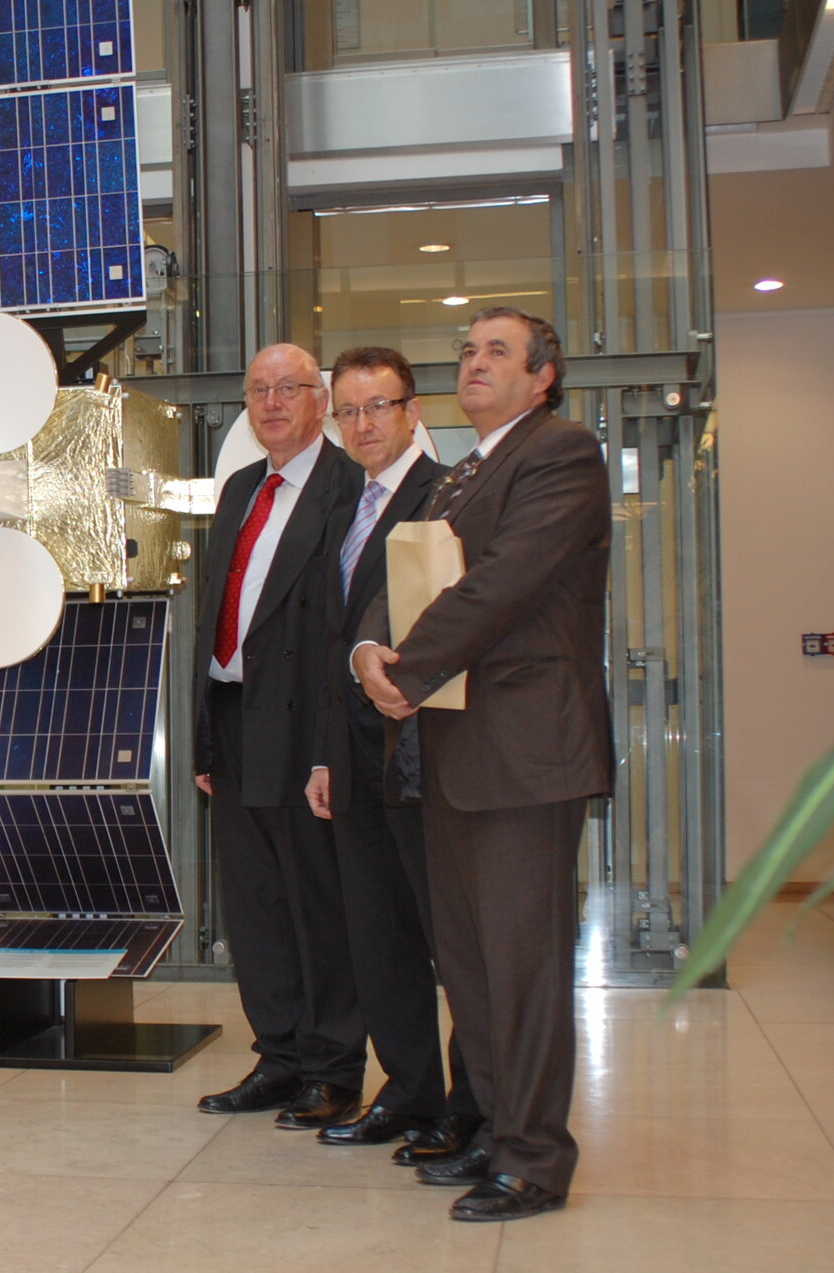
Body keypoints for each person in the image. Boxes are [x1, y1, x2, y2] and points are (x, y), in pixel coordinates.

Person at [354, 307, 611, 1222]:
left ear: (543, 375)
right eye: (466, 351)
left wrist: (409, 669)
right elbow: (402, 569)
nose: (474, 363)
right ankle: (498, 1133)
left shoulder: (562, 452)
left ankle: (536, 1160)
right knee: (469, 966)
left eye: (496, 351)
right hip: (453, 754)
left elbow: (502, 582)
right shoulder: (462, 471)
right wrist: (368, 653)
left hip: (527, 756)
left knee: (521, 965)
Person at [304, 347, 478, 1161]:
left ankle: (471, 1105)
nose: (364, 423)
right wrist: (324, 757)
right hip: (356, 752)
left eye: (380, 406)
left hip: (427, 747)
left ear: (413, 411)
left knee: (454, 938)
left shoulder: (445, 495)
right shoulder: (348, 503)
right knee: (378, 934)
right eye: (349, 409)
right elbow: (332, 640)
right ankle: (408, 1091)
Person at [192, 343, 365, 1129]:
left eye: (287, 388)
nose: (270, 403)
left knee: (318, 901)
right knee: (255, 904)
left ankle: (333, 1065)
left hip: (307, 725)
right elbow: (214, 616)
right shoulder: (237, 489)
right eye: (258, 390)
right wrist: (200, 739)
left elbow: (343, 625)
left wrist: (334, 747)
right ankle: (280, 1054)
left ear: (319, 400)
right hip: (234, 718)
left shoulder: (348, 488)